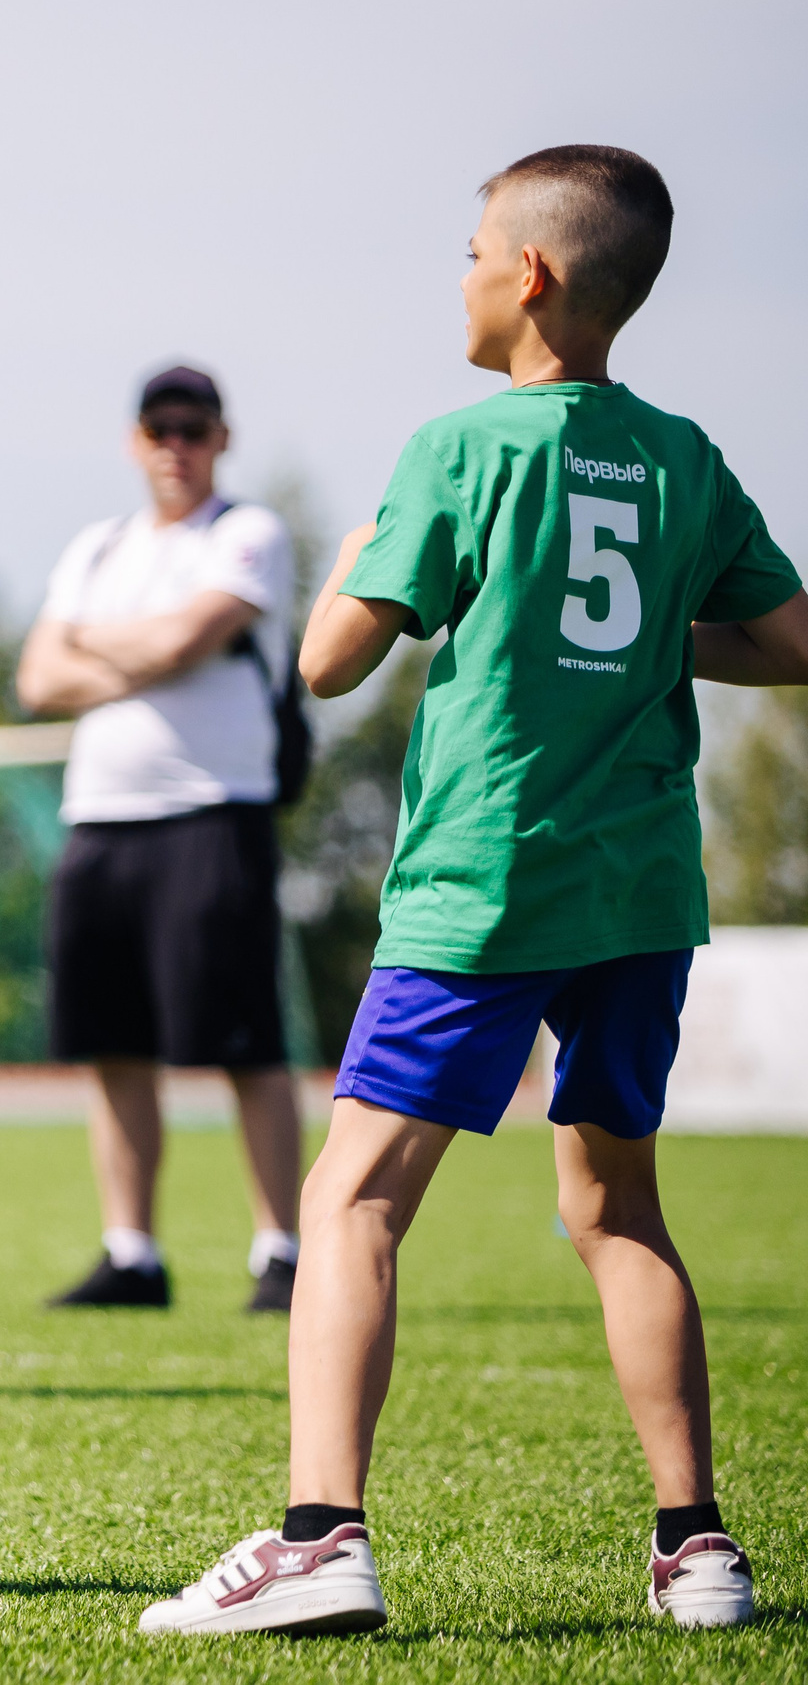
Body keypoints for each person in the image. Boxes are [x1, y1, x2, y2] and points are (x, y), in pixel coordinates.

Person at [142, 145, 804, 1638]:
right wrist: (646, 647)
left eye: (467, 250)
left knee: (355, 1193)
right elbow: (791, 636)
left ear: (531, 277)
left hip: (487, 881)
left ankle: (320, 1536)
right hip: (642, 887)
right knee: (617, 1201)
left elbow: (327, 659)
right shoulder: (688, 456)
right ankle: (696, 1548)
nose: (454, 274)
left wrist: (370, 554)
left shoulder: (459, 449)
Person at [16, 364, 305, 1312]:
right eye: (159, 429)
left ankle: (282, 1250)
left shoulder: (249, 534)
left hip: (213, 814)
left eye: (193, 428)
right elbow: (35, 680)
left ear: (222, 438)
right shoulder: (98, 547)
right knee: (113, 1045)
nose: (174, 446)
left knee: (243, 1042)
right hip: (101, 823)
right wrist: (143, 646)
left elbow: (185, 640)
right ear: (136, 442)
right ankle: (133, 1252)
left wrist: (95, 643)